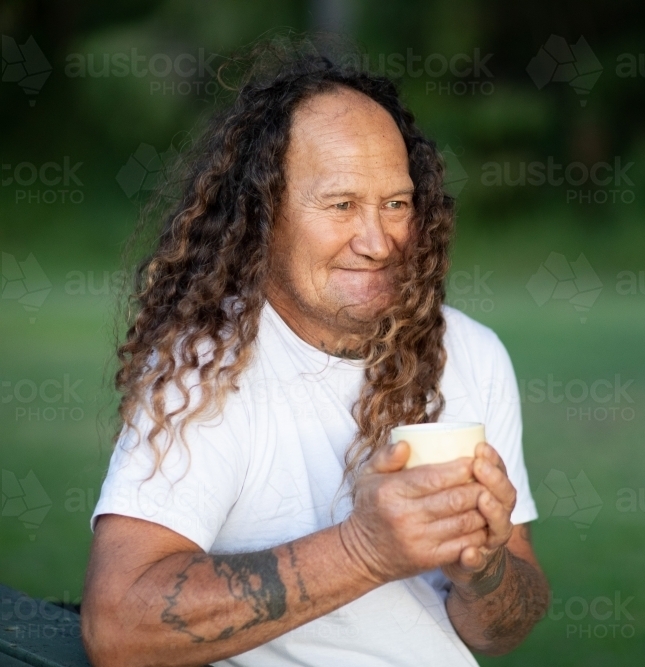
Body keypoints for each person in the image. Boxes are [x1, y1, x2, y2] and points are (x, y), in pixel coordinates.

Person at [80, 45, 549, 667]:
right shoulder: (205, 368)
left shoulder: (471, 352)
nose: (378, 240)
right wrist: (365, 550)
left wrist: (484, 568)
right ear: (262, 214)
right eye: (341, 205)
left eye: (396, 204)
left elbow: (500, 632)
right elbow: (117, 626)